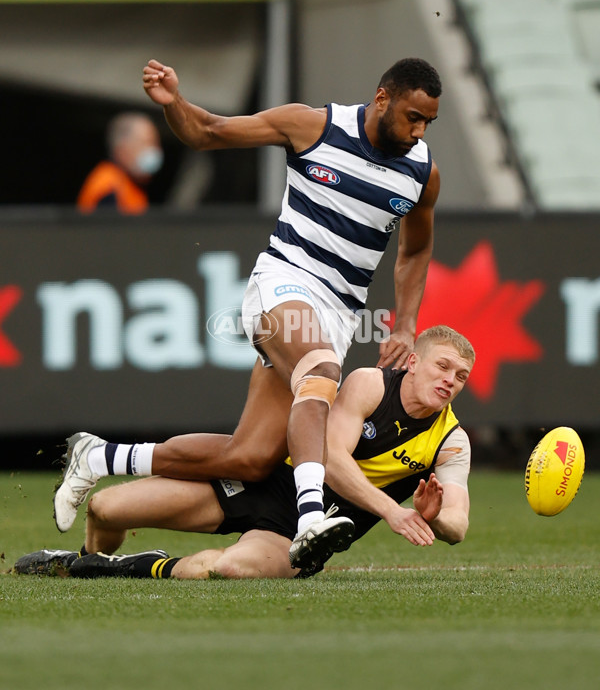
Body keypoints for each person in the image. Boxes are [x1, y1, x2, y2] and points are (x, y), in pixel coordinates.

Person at [55, 57, 443, 571]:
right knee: (321, 373)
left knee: (252, 456)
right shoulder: (313, 126)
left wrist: (407, 324)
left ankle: (100, 456)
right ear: (381, 99)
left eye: (427, 123)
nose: (418, 131)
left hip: (340, 314)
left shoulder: (421, 171)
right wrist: (176, 103)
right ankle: (310, 520)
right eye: (412, 116)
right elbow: (207, 131)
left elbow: (414, 253)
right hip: (283, 284)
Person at [23, 326, 474, 580]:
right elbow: (331, 458)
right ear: (412, 361)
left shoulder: (451, 441)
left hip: (301, 533)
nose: (450, 380)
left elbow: (457, 524)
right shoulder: (370, 384)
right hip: (266, 485)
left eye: (461, 376)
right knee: (105, 507)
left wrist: (431, 515)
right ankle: (84, 559)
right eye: (443, 366)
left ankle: (107, 569)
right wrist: (393, 514)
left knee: (227, 570)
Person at [76, 112, 163, 214]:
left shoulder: (129, 185)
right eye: (146, 143)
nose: (154, 151)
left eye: (156, 144)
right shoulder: (108, 187)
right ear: (122, 150)